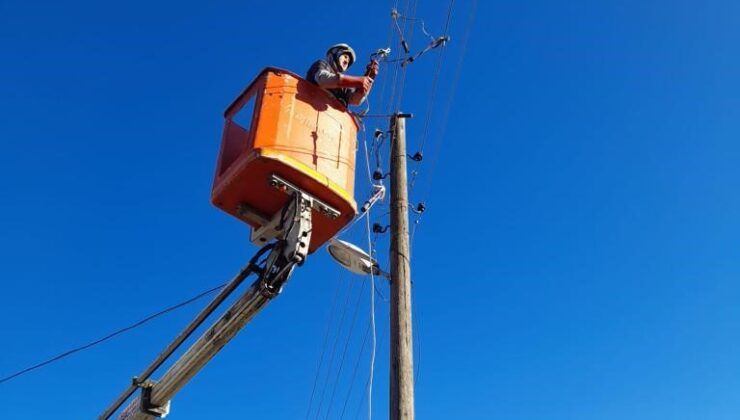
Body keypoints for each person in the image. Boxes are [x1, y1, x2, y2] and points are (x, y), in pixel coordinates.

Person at [306, 43, 378, 107]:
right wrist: (357, 81)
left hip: (331, 119)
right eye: (345, 56)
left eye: (349, 61)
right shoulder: (322, 64)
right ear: (335, 53)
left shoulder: (344, 86)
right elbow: (322, 79)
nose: (347, 61)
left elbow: (355, 100)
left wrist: (369, 77)